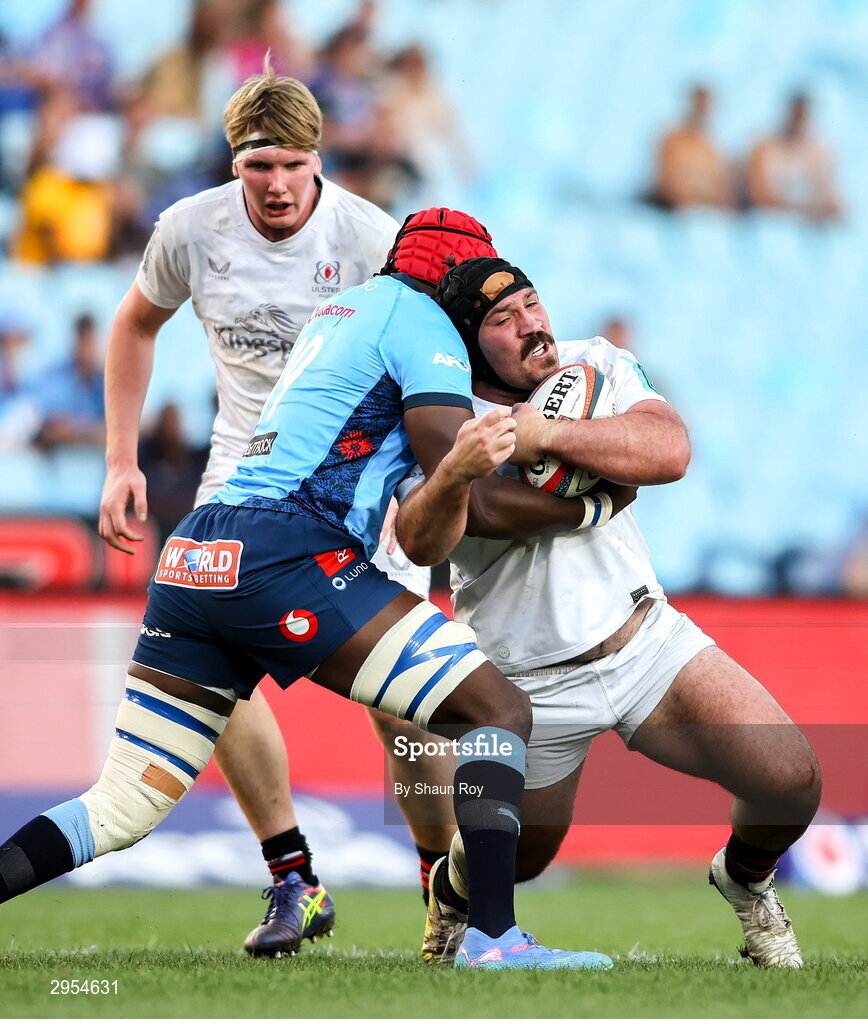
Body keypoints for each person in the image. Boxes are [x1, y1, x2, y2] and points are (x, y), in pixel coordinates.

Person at [0, 213, 619, 972]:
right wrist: (588, 506)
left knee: (121, 804)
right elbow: (471, 497)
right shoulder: (423, 320)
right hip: (291, 549)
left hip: (200, 548)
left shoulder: (346, 308)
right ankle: (493, 940)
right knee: (498, 710)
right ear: (451, 279)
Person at [393, 256, 821, 968]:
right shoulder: (442, 411)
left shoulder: (597, 362)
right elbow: (475, 514)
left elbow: (669, 448)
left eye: (533, 304)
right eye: (504, 320)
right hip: (526, 682)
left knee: (792, 780)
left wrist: (547, 436)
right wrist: (594, 500)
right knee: (524, 860)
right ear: (470, 342)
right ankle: (454, 887)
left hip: (645, 642)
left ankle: (746, 883)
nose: (533, 326)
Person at [97, 60, 411, 957]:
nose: (275, 185)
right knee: (209, 653)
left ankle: (443, 891)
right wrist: (122, 460)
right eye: (255, 167)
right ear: (233, 165)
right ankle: (293, 879)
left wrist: (416, 484)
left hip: (361, 474)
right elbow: (133, 324)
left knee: (404, 704)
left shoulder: (372, 238)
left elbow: (422, 361)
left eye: (291, 167)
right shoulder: (189, 230)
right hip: (244, 473)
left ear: (320, 161)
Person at [745, 93, 842, 222]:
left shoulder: (819, 152)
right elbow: (758, 194)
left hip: (807, 225)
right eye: (796, 114)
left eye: (803, 115)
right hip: (771, 223)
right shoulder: (765, 146)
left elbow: (831, 201)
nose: (798, 120)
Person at [649, 85, 735, 211]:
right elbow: (668, 184)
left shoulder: (711, 147)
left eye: (705, 108)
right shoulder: (673, 140)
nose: (702, 112)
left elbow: (720, 185)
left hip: (705, 211)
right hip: (675, 211)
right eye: (699, 107)